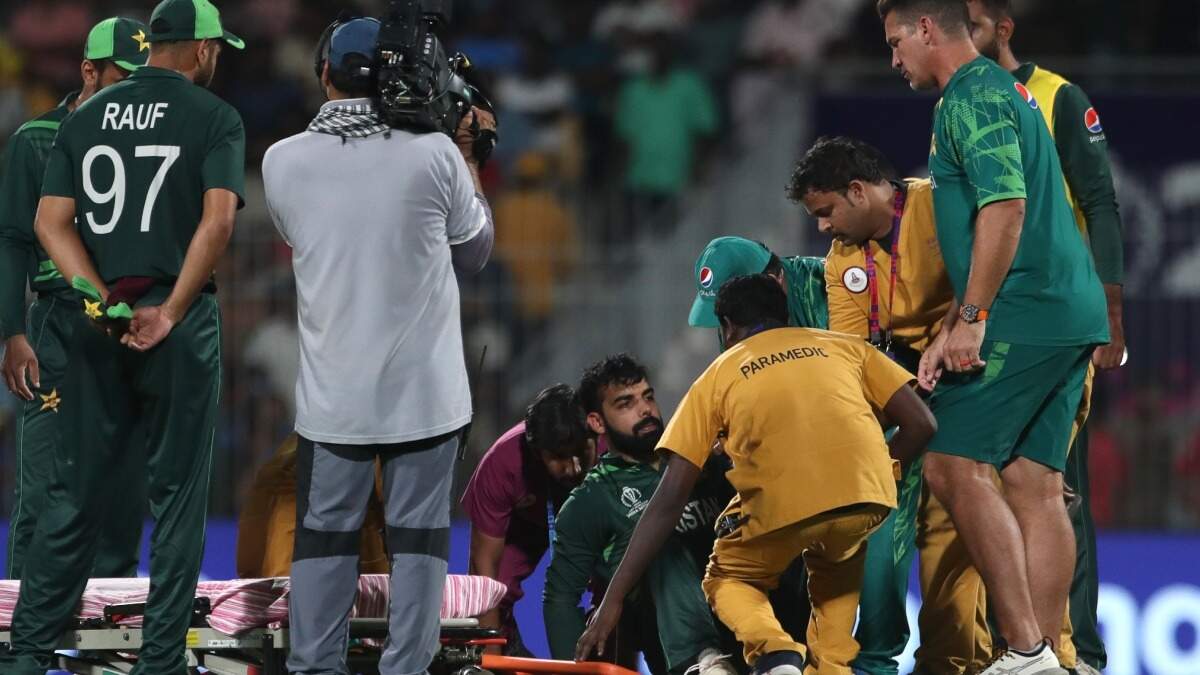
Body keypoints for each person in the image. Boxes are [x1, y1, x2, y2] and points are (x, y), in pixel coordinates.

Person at [0, 0, 246, 671]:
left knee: (69, 494)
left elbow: (50, 224)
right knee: (177, 500)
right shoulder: (214, 116)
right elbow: (218, 222)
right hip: (175, 324)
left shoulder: (83, 118)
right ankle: (158, 662)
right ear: (201, 50)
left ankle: (25, 657)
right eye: (215, 50)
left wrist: (98, 298)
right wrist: (170, 310)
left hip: (93, 327)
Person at [878, 1, 1109, 673]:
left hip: (1023, 310)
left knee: (950, 461)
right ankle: (1040, 658)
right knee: (1034, 482)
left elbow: (1006, 208)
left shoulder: (970, 96)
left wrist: (975, 317)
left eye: (896, 41)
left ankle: (1026, 648)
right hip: (1068, 310)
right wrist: (954, 319)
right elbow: (997, 221)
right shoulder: (1005, 89)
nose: (893, 59)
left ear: (927, 28)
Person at [261, 15, 496, 675]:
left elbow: (304, 230)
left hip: (334, 398)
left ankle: (315, 666)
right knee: (418, 542)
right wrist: (468, 156)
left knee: (324, 539)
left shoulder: (281, 161)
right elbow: (476, 250)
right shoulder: (435, 154)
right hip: (425, 394)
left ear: (325, 73)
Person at [578, 275, 937, 675]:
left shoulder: (718, 374)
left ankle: (777, 655)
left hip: (782, 508)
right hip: (866, 499)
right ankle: (830, 668)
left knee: (727, 579)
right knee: (836, 576)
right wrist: (877, 472)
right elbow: (922, 423)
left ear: (728, 326)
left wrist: (612, 599)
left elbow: (670, 498)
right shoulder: (845, 346)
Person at [788, 135, 990, 675]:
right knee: (884, 516)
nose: (823, 227)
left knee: (951, 526)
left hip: (972, 373)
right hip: (904, 393)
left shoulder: (937, 204)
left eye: (826, 211)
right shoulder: (842, 259)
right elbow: (854, 356)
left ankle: (955, 662)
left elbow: (986, 270)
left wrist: (951, 333)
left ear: (858, 191)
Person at [966, 5, 1125, 671]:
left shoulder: (1059, 97)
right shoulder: (962, 102)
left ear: (1003, 29)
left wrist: (1111, 310)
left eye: (972, 25)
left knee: (1055, 486)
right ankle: (1013, 646)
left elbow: (1101, 203)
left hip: (1055, 320)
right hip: (997, 324)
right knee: (995, 486)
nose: (960, 38)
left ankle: (1077, 649)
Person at [0, 16, 150, 582]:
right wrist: (13, 332)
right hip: (57, 326)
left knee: (122, 483)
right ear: (89, 70)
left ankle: (110, 614)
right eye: (123, 76)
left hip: (125, 325)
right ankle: (21, 615)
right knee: (42, 480)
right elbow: (12, 239)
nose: (134, 90)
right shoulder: (35, 139)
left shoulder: (145, 142)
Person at [546, 354, 734, 675]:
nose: (645, 409)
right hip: (676, 648)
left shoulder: (700, 456)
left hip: (742, 613)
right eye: (625, 403)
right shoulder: (592, 499)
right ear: (597, 422)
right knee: (660, 545)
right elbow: (560, 598)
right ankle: (704, 660)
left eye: (648, 397)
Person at [462, 384, 599, 655]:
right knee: (495, 589)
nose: (573, 467)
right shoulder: (502, 464)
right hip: (528, 525)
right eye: (559, 457)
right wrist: (490, 663)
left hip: (597, 516)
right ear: (536, 452)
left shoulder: (608, 443)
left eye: (580, 452)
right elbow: (484, 572)